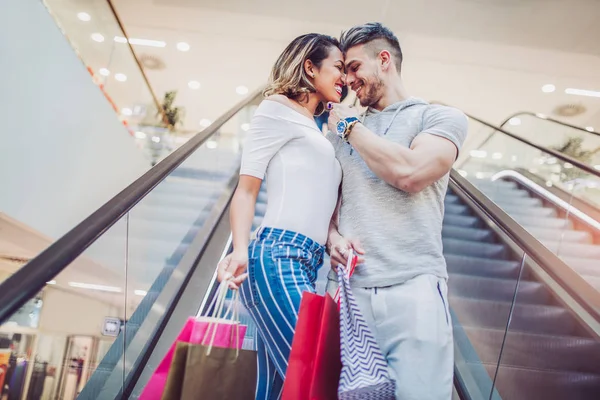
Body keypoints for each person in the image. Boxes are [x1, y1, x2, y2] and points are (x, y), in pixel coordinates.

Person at [325, 23, 468, 399]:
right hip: (349, 291)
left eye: (354, 68)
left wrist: (351, 128)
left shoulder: (439, 118)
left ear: (384, 60)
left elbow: (411, 173)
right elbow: (328, 210)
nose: (348, 81)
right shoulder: (339, 133)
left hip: (414, 285)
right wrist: (332, 238)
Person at [215, 33, 358, 400]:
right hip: (276, 256)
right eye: (338, 68)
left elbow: (321, 201)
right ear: (309, 67)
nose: (344, 77)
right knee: (316, 384)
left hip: (309, 264)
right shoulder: (275, 109)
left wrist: (333, 237)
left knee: (280, 389)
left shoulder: (321, 128)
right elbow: (246, 190)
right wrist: (240, 249)